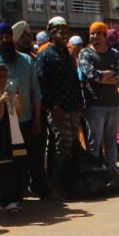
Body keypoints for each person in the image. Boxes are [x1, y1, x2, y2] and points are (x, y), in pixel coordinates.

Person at [0, 22, 46, 198]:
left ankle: (41, 190)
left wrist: (37, 119)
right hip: (4, 125)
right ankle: (15, 195)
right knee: (9, 162)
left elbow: (36, 93)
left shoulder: (27, 60)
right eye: (0, 38)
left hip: (26, 120)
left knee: (33, 158)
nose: (4, 40)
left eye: (7, 37)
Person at [35, 16, 82, 198]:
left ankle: (70, 184)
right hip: (57, 109)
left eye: (66, 32)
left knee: (72, 146)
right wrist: (52, 106)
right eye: (60, 32)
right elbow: (42, 85)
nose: (64, 36)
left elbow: (74, 81)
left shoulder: (68, 56)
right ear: (51, 34)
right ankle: (55, 185)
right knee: (61, 145)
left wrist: (80, 103)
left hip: (73, 106)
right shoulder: (45, 56)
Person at [78, 21, 119, 168]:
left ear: (105, 36)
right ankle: (94, 174)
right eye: (93, 33)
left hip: (114, 104)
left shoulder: (114, 54)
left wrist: (101, 77)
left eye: (99, 33)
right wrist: (109, 76)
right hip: (94, 105)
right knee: (94, 143)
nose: (95, 36)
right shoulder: (85, 53)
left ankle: (112, 172)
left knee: (111, 142)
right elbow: (91, 74)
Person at [0, 61, 28, 213]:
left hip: (15, 135)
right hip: (2, 138)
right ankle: (8, 201)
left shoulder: (9, 92)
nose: (3, 79)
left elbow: (19, 112)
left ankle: (17, 199)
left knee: (18, 169)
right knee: (5, 171)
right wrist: (2, 101)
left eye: (5, 76)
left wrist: (18, 97)